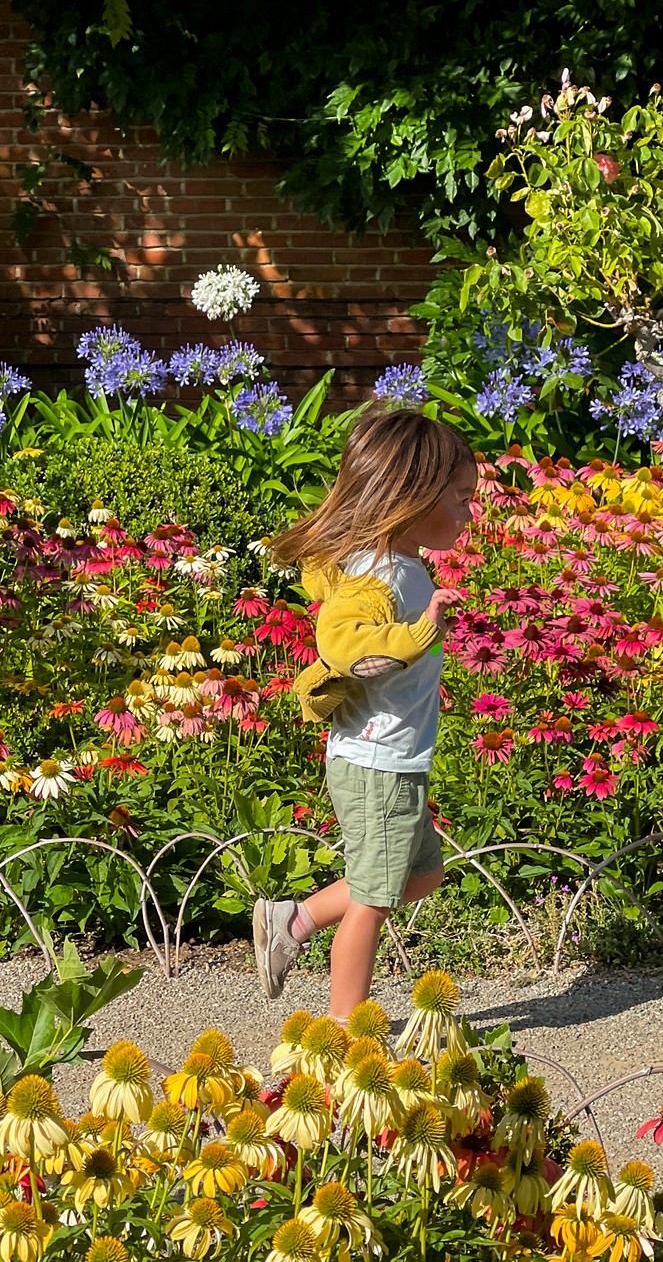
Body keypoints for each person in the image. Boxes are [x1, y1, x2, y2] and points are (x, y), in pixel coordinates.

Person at [253, 408, 476, 1017]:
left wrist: (427, 629)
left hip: (397, 755)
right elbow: (342, 644)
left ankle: (293, 920)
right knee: (373, 901)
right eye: (459, 498)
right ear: (413, 496)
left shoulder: (403, 566)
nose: (467, 513)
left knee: (422, 874)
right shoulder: (375, 577)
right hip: (377, 759)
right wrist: (416, 636)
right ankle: (344, 1028)